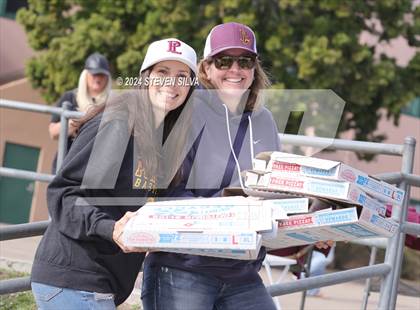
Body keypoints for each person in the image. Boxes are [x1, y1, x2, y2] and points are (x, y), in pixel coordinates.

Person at [30, 38, 197, 309]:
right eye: (162, 73)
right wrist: (110, 228)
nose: (172, 83)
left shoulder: (164, 138)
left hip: (103, 282)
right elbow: (64, 194)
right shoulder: (118, 123)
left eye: (182, 76)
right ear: (146, 78)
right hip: (75, 276)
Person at [141, 22, 280, 310]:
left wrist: (308, 235)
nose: (235, 69)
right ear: (206, 68)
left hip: (242, 273)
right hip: (184, 268)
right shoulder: (183, 112)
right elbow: (162, 196)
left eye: (245, 61)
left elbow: (274, 193)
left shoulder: (264, 120)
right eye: (223, 60)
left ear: (255, 69)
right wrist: (231, 208)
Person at [49, 52, 112, 173]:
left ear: (107, 78)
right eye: (94, 74)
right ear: (85, 75)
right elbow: (53, 133)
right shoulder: (70, 98)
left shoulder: (113, 103)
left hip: (96, 171)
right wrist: (77, 121)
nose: (98, 78)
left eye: (102, 75)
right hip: (67, 166)